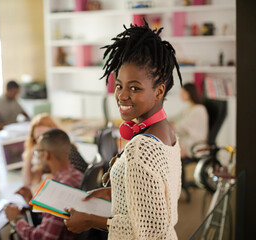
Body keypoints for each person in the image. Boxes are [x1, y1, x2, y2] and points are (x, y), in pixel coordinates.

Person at [64, 20, 183, 239]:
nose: (122, 96)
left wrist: (89, 220)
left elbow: (149, 232)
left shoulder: (142, 147)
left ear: (159, 91)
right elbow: (157, 199)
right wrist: (117, 192)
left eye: (134, 88)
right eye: (119, 85)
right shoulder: (168, 132)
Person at [4, 128, 84, 240]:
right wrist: (33, 203)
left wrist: (16, 219)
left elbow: (42, 238)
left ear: (46, 154)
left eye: (38, 152)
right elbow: (56, 217)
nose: (38, 159)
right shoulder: (76, 175)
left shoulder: (58, 190)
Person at [22, 113, 88, 190]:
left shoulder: (64, 152)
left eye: (45, 136)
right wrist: (30, 154)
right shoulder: (58, 169)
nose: (41, 142)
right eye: (37, 138)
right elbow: (28, 181)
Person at [172, 83, 208, 158]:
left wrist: (171, 125)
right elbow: (174, 117)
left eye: (182, 93)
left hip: (193, 143)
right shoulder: (188, 108)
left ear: (189, 93)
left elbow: (182, 127)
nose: (180, 95)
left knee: (169, 145)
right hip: (185, 139)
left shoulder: (199, 109)